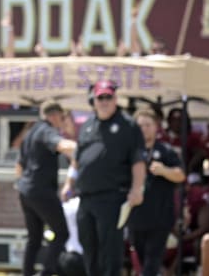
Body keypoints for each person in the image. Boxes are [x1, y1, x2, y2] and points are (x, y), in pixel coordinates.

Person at [61, 80, 146, 276]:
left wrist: (137, 189)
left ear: (115, 99)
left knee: (110, 251)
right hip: (86, 198)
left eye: (108, 97)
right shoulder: (88, 125)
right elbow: (77, 159)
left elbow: (138, 160)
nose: (104, 101)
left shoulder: (128, 125)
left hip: (112, 197)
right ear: (94, 100)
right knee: (89, 248)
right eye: (101, 97)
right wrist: (68, 183)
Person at [16, 101, 76, 276]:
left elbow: (18, 165)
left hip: (25, 190)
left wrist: (21, 185)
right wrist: (85, 146)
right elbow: (62, 145)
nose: (62, 121)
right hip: (41, 190)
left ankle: (26, 273)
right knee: (62, 232)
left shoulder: (30, 133)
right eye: (62, 117)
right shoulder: (46, 130)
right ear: (54, 115)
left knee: (34, 239)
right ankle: (47, 272)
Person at [128, 109, 185, 276]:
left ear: (156, 127)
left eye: (148, 125)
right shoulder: (129, 151)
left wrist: (164, 171)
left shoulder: (166, 150)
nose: (144, 129)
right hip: (135, 216)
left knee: (152, 261)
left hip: (160, 216)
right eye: (140, 125)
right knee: (141, 259)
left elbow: (180, 175)